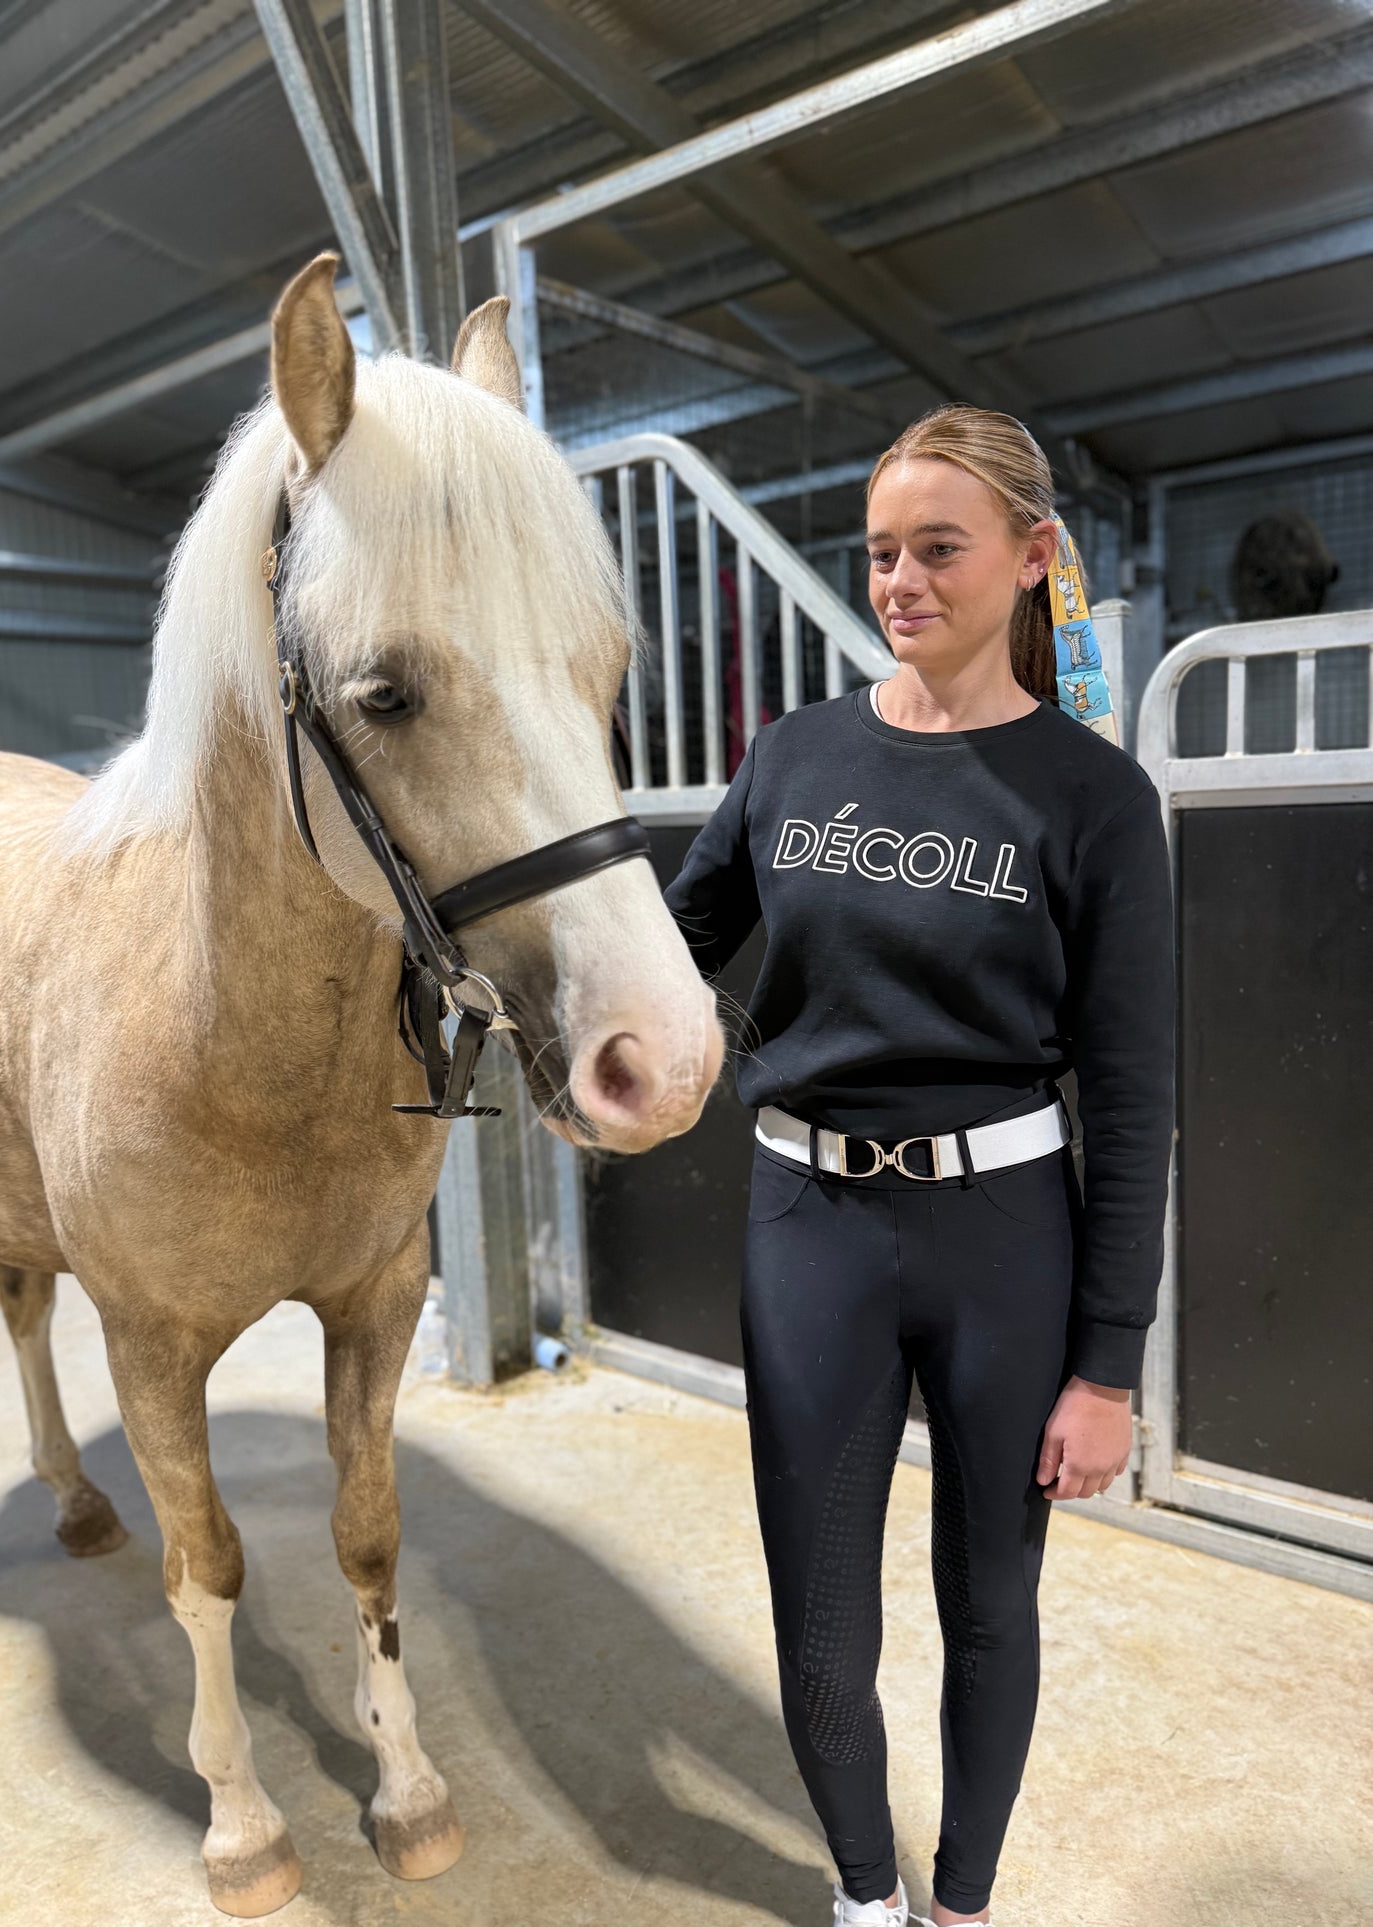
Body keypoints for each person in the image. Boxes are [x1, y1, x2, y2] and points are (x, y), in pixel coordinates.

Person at [662, 405, 1175, 1927]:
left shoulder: (1093, 799)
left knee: (989, 1606)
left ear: (1030, 558)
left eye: (939, 549)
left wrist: (1108, 1366)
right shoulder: (793, 754)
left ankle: (962, 1904)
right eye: (882, 551)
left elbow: (1132, 1099)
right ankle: (864, 1897)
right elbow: (673, 949)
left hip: (1002, 1234)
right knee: (820, 1613)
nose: (900, 580)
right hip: (805, 1222)